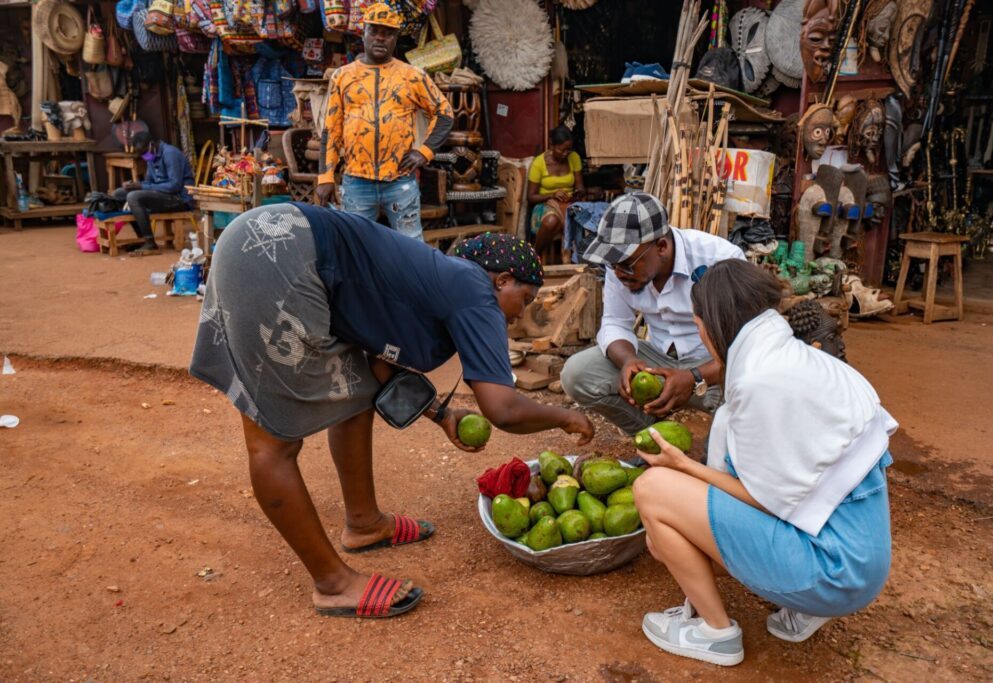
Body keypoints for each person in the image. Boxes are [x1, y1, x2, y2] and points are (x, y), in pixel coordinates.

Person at [190, 203, 593, 618]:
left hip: (275, 243)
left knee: (352, 395)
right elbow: (502, 408)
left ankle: (364, 524)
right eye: (523, 299)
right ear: (502, 279)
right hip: (276, 255)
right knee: (272, 443)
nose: (520, 313)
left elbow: (378, 367)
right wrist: (566, 417)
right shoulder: (475, 287)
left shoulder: (436, 285)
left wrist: (441, 415)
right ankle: (332, 584)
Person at [632, 259, 896, 666]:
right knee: (665, 535)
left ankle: (716, 633)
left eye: (697, 322)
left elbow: (766, 500)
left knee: (652, 493)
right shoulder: (807, 363)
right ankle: (805, 608)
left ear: (710, 323)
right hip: (863, 563)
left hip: (833, 573)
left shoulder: (759, 382)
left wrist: (683, 467)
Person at [560, 193, 745, 437]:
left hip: (713, 367)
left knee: (745, 392)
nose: (618, 273)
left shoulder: (718, 259)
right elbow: (615, 321)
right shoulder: (619, 266)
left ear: (661, 247)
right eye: (613, 265)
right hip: (658, 361)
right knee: (577, 374)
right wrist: (627, 360)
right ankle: (656, 435)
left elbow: (745, 347)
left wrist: (694, 377)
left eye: (627, 264)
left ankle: (710, 434)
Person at [314, 3, 454, 242]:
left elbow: (444, 114)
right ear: (364, 33)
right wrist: (326, 177)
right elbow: (331, 129)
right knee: (356, 246)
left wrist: (424, 152)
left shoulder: (412, 75)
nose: (380, 38)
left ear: (396, 38)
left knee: (411, 246)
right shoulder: (343, 76)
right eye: (374, 31)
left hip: (400, 181)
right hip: (356, 181)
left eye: (387, 33)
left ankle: (411, 281)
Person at [112, 131, 195, 254]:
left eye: (143, 152)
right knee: (120, 193)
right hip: (164, 195)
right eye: (140, 154)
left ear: (151, 144)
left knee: (134, 197)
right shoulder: (151, 156)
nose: (143, 156)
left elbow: (174, 186)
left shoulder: (170, 154)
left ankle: (150, 242)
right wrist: (134, 185)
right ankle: (142, 239)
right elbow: (148, 182)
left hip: (179, 198)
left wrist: (141, 187)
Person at [527, 125, 584, 258]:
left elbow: (580, 187)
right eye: (561, 150)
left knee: (582, 219)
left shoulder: (574, 158)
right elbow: (531, 197)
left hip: (569, 203)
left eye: (568, 150)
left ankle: (573, 260)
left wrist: (577, 193)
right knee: (552, 221)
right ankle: (536, 255)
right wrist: (552, 195)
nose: (565, 154)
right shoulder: (538, 163)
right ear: (552, 145)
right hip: (544, 204)